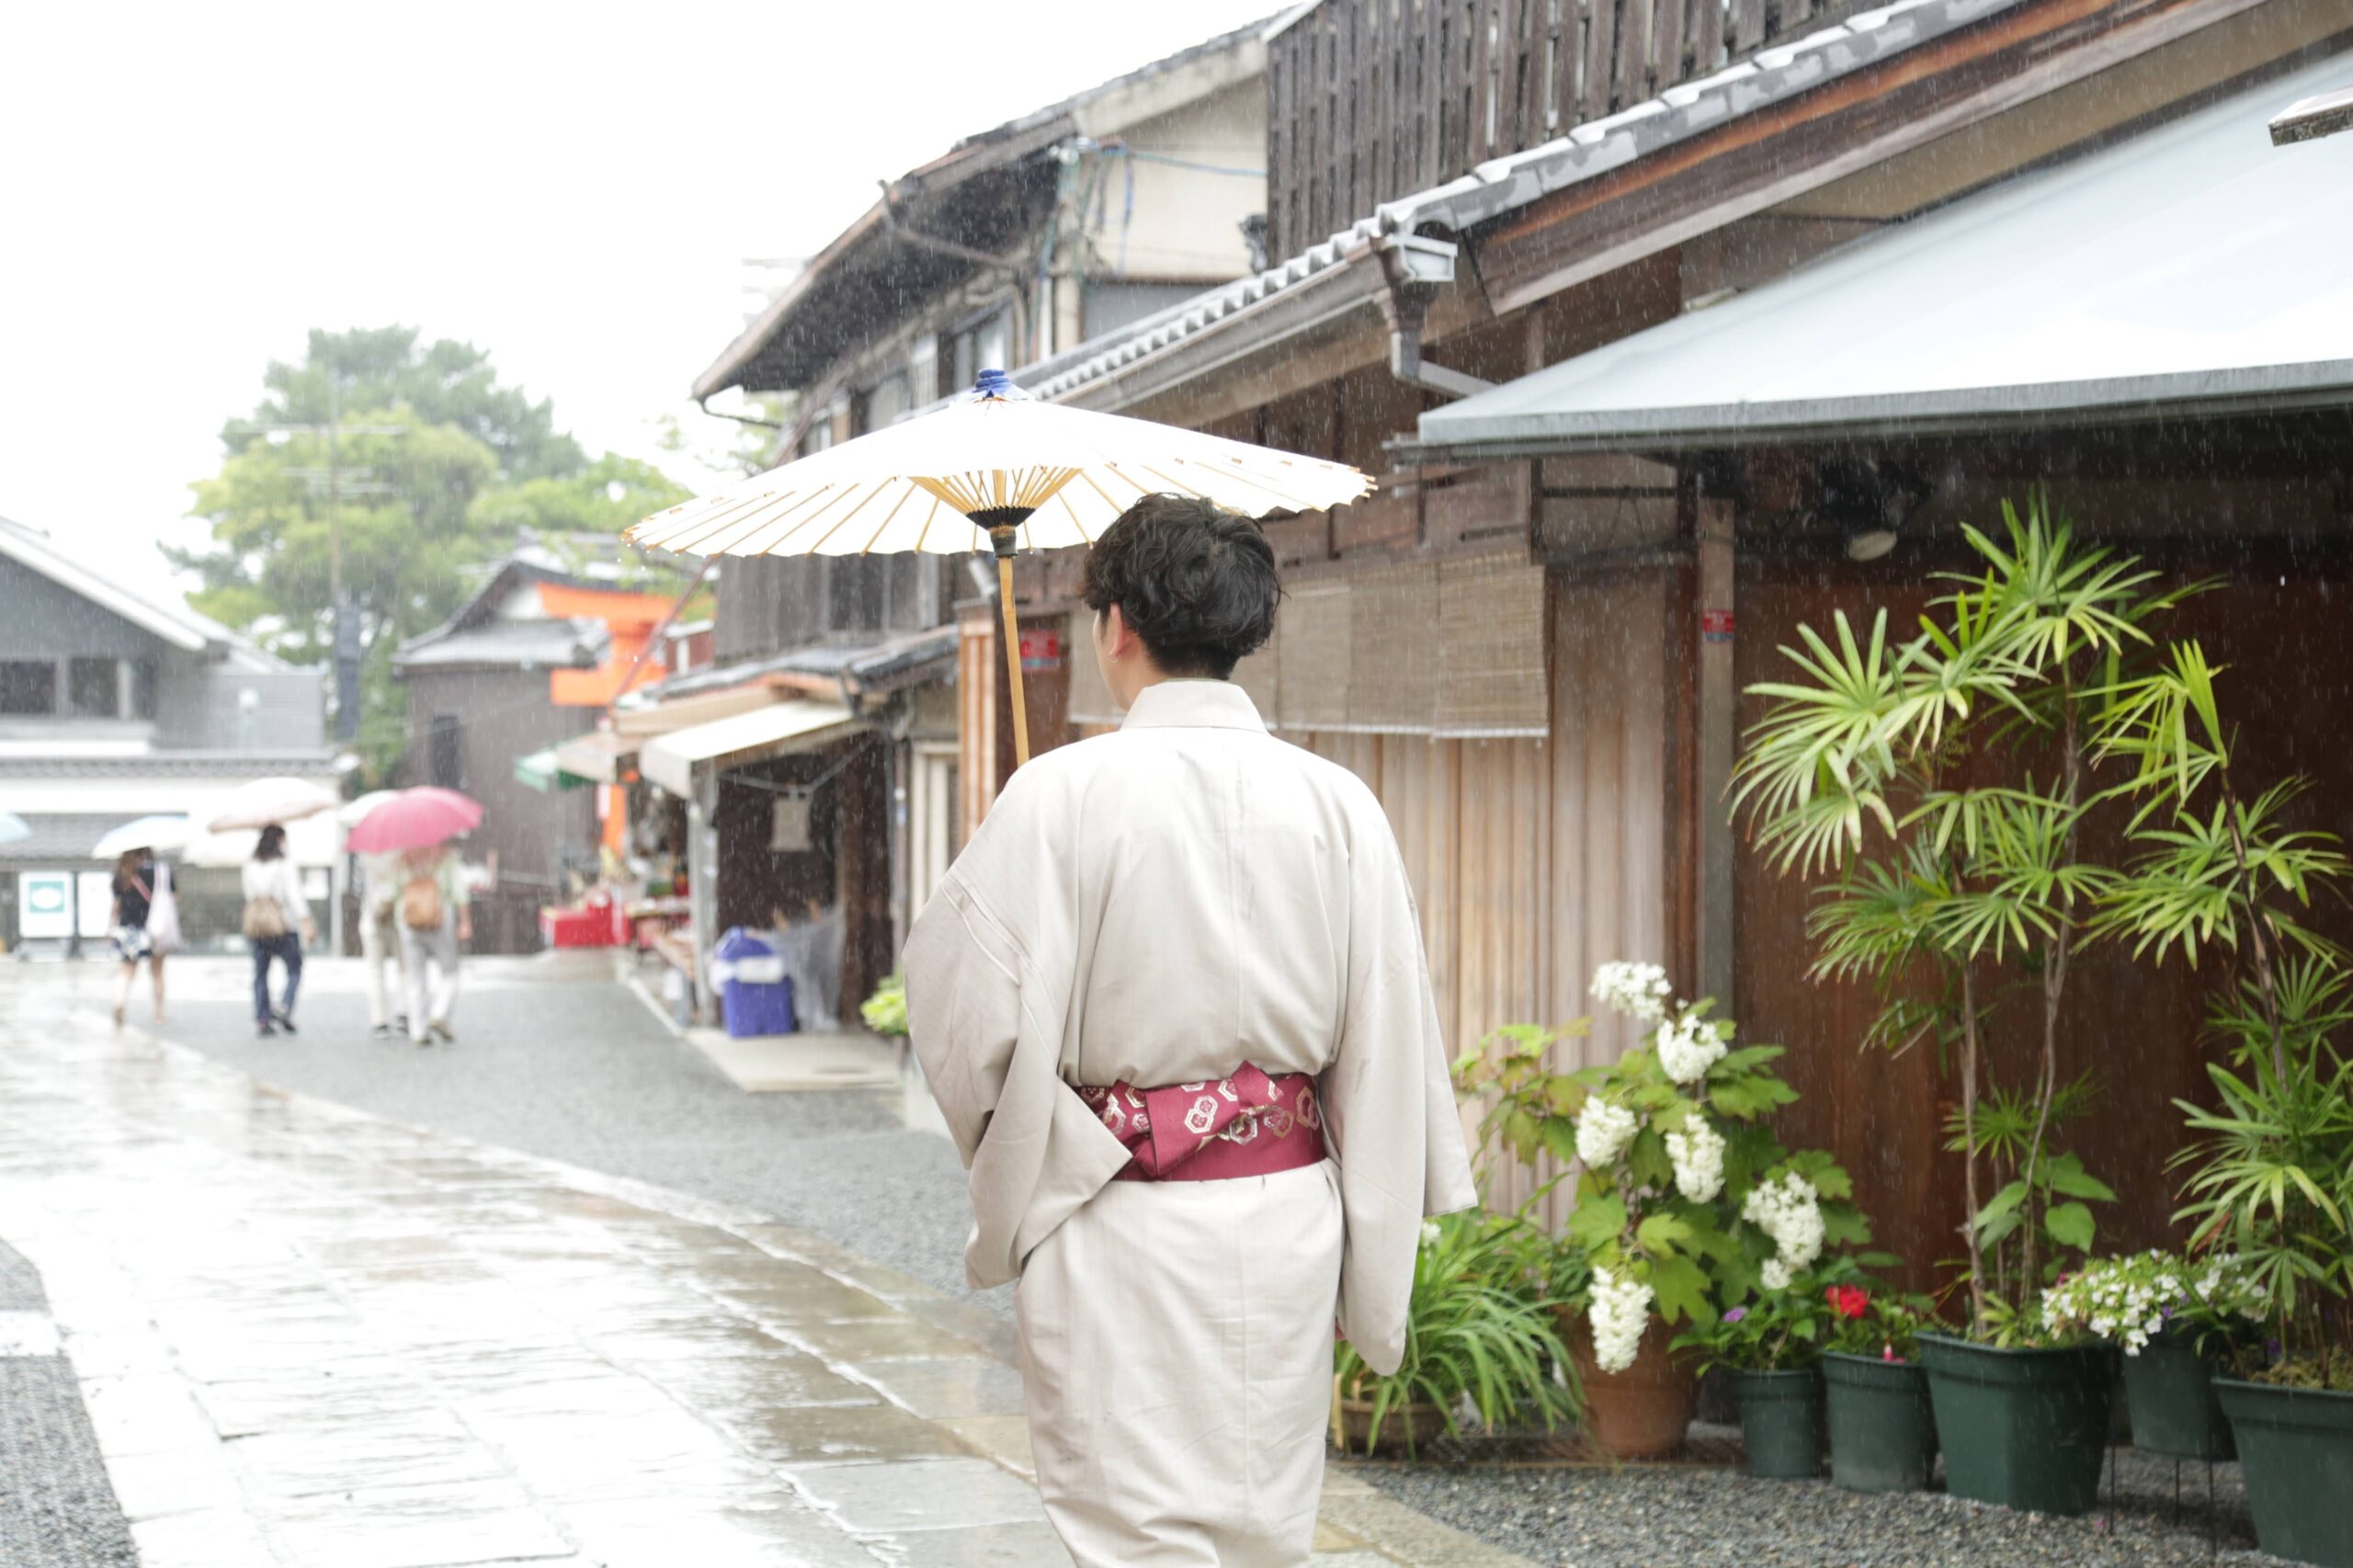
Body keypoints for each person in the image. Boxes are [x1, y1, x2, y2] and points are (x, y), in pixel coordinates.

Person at [904, 494, 1475, 1567]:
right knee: (1264, 1530)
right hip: (1286, 1222)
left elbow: (961, 1010)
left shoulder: (1058, 792)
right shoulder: (1338, 802)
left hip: (1117, 1212)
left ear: (1114, 623)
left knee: (1129, 1534)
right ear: (1242, 627)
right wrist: (1374, 1242)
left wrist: (1046, 1144)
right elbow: (1387, 1036)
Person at [396, 842, 471, 1046]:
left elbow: (396, 893)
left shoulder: (404, 858)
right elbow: (459, 891)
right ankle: (439, 1013)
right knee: (450, 971)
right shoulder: (446, 858)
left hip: (409, 919)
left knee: (415, 976)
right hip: (439, 916)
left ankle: (418, 1031)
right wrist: (465, 921)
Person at [243, 824, 313, 1037]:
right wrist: (306, 922)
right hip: (283, 924)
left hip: (257, 926)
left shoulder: (250, 865)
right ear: (280, 840)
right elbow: (294, 896)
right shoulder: (285, 865)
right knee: (294, 969)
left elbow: (248, 894)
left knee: (260, 973)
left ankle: (263, 1018)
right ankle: (284, 1005)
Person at [108, 847, 165, 1028]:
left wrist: (109, 928)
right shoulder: (158, 872)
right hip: (152, 928)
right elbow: (172, 897)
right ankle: (159, 1013)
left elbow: (116, 906)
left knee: (126, 971)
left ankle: (119, 1002)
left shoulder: (121, 875)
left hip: (127, 929)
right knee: (157, 972)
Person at [358, 849, 410, 1039]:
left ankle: (379, 1021)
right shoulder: (404, 853)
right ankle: (403, 1013)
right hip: (399, 918)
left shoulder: (367, 856)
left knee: (376, 972)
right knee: (404, 968)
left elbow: (364, 887)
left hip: (372, 918)